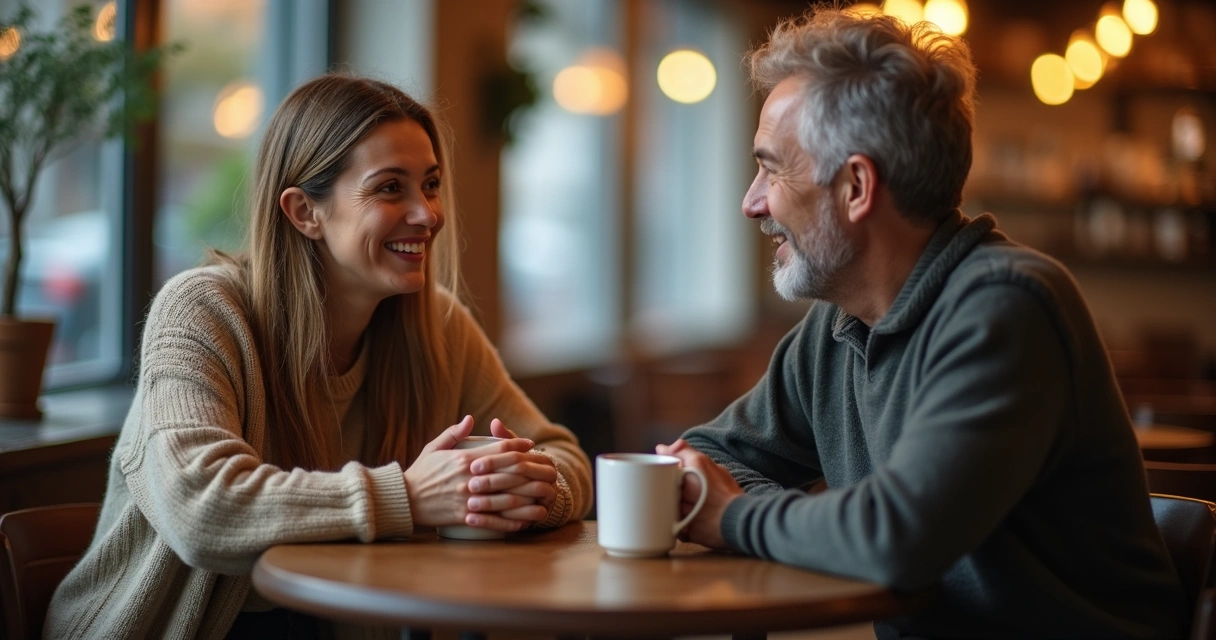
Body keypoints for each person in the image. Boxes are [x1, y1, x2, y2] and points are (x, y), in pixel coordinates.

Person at [657, 8, 1187, 639]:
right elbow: (707, 453)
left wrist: (738, 517)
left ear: (856, 186)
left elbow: (897, 538)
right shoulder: (836, 328)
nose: (751, 202)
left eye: (770, 167)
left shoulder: (1010, 307)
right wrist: (738, 505)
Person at [45, 73, 593, 638]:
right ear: (305, 211)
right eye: (389, 188)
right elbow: (202, 507)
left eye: (429, 185)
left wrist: (526, 487)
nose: (428, 214)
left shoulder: (439, 327)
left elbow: (563, 455)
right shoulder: (202, 312)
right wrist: (408, 495)